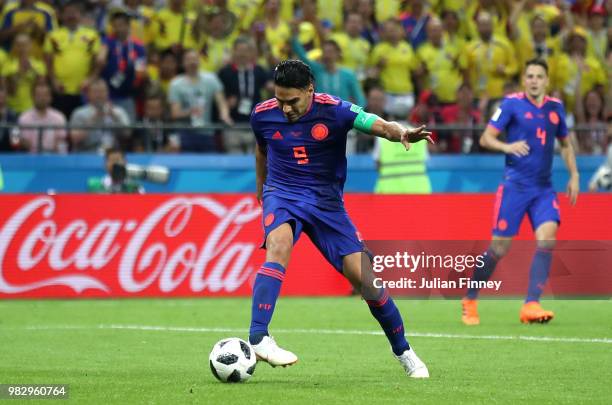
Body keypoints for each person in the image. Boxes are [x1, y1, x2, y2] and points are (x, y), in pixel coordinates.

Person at [249, 60, 432, 377]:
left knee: (365, 279)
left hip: (326, 203)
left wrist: (399, 131)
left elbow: (374, 123)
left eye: (292, 101)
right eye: (280, 100)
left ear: (310, 90)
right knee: (278, 244)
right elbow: (262, 150)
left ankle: (404, 351)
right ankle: (259, 337)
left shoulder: (335, 110)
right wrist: (262, 189)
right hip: (284, 193)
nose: (285, 108)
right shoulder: (262, 114)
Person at [461, 59, 579, 326]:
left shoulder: (555, 108)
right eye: (530, 76)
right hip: (514, 187)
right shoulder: (511, 104)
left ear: (547, 80)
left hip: (543, 189)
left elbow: (565, 144)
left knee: (547, 239)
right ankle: (469, 299)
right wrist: (507, 146)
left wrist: (574, 174)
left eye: (539, 76)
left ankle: (531, 305)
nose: (534, 80)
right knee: (499, 247)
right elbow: (485, 138)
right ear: (524, 80)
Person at [15, 81, 67, 153]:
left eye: (45, 95)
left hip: (53, 158)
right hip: (30, 159)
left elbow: (61, 141)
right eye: (39, 95)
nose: (42, 98)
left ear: (50, 97)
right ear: (32, 97)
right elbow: (24, 143)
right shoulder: (24, 118)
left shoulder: (59, 117)